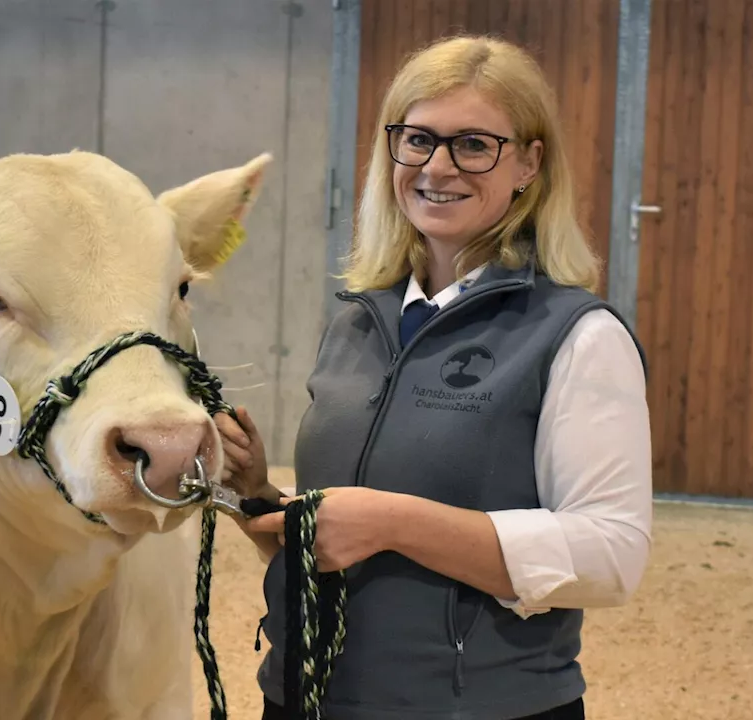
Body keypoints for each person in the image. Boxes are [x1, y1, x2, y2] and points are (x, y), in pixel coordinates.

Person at [215, 34, 652, 720]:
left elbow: (611, 555)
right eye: (417, 139)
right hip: (306, 697)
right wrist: (253, 495)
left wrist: (393, 521)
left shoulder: (579, 336)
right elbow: (333, 540)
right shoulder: (357, 322)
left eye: (473, 144)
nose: (437, 166)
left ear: (529, 164)